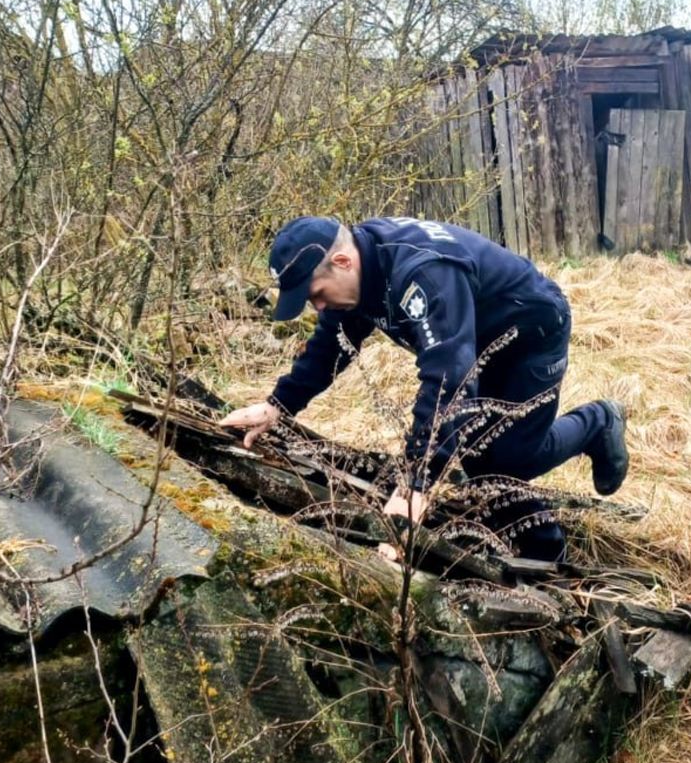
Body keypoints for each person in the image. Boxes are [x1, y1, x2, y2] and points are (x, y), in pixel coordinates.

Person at [220, 214, 629, 562]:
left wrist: (416, 484)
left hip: (532, 335)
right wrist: (277, 406)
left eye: (317, 295)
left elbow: (448, 376)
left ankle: (598, 422)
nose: (319, 307)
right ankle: (542, 547)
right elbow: (330, 348)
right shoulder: (358, 275)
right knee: (478, 456)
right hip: (473, 342)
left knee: (508, 458)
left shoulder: (423, 273)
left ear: (342, 262)